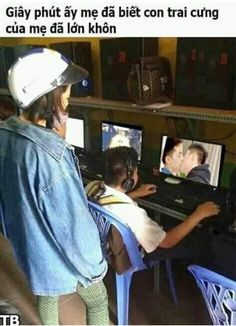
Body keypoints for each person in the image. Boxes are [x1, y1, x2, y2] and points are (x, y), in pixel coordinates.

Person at [0, 48, 109, 325]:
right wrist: (94, 269)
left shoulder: (4, 136)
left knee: (46, 293)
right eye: (65, 89)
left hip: (32, 250)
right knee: (97, 299)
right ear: (47, 94)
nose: (69, 95)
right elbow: (72, 226)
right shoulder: (52, 157)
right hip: (60, 253)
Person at [87, 146, 220, 262]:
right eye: (136, 172)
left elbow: (109, 203)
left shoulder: (92, 186)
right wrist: (198, 214)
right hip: (129, 256)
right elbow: (168, 242)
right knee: (195, 241)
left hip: (103, 245)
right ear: (128, 181)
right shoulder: (132, 213)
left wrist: (134, 194)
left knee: (168, 227)